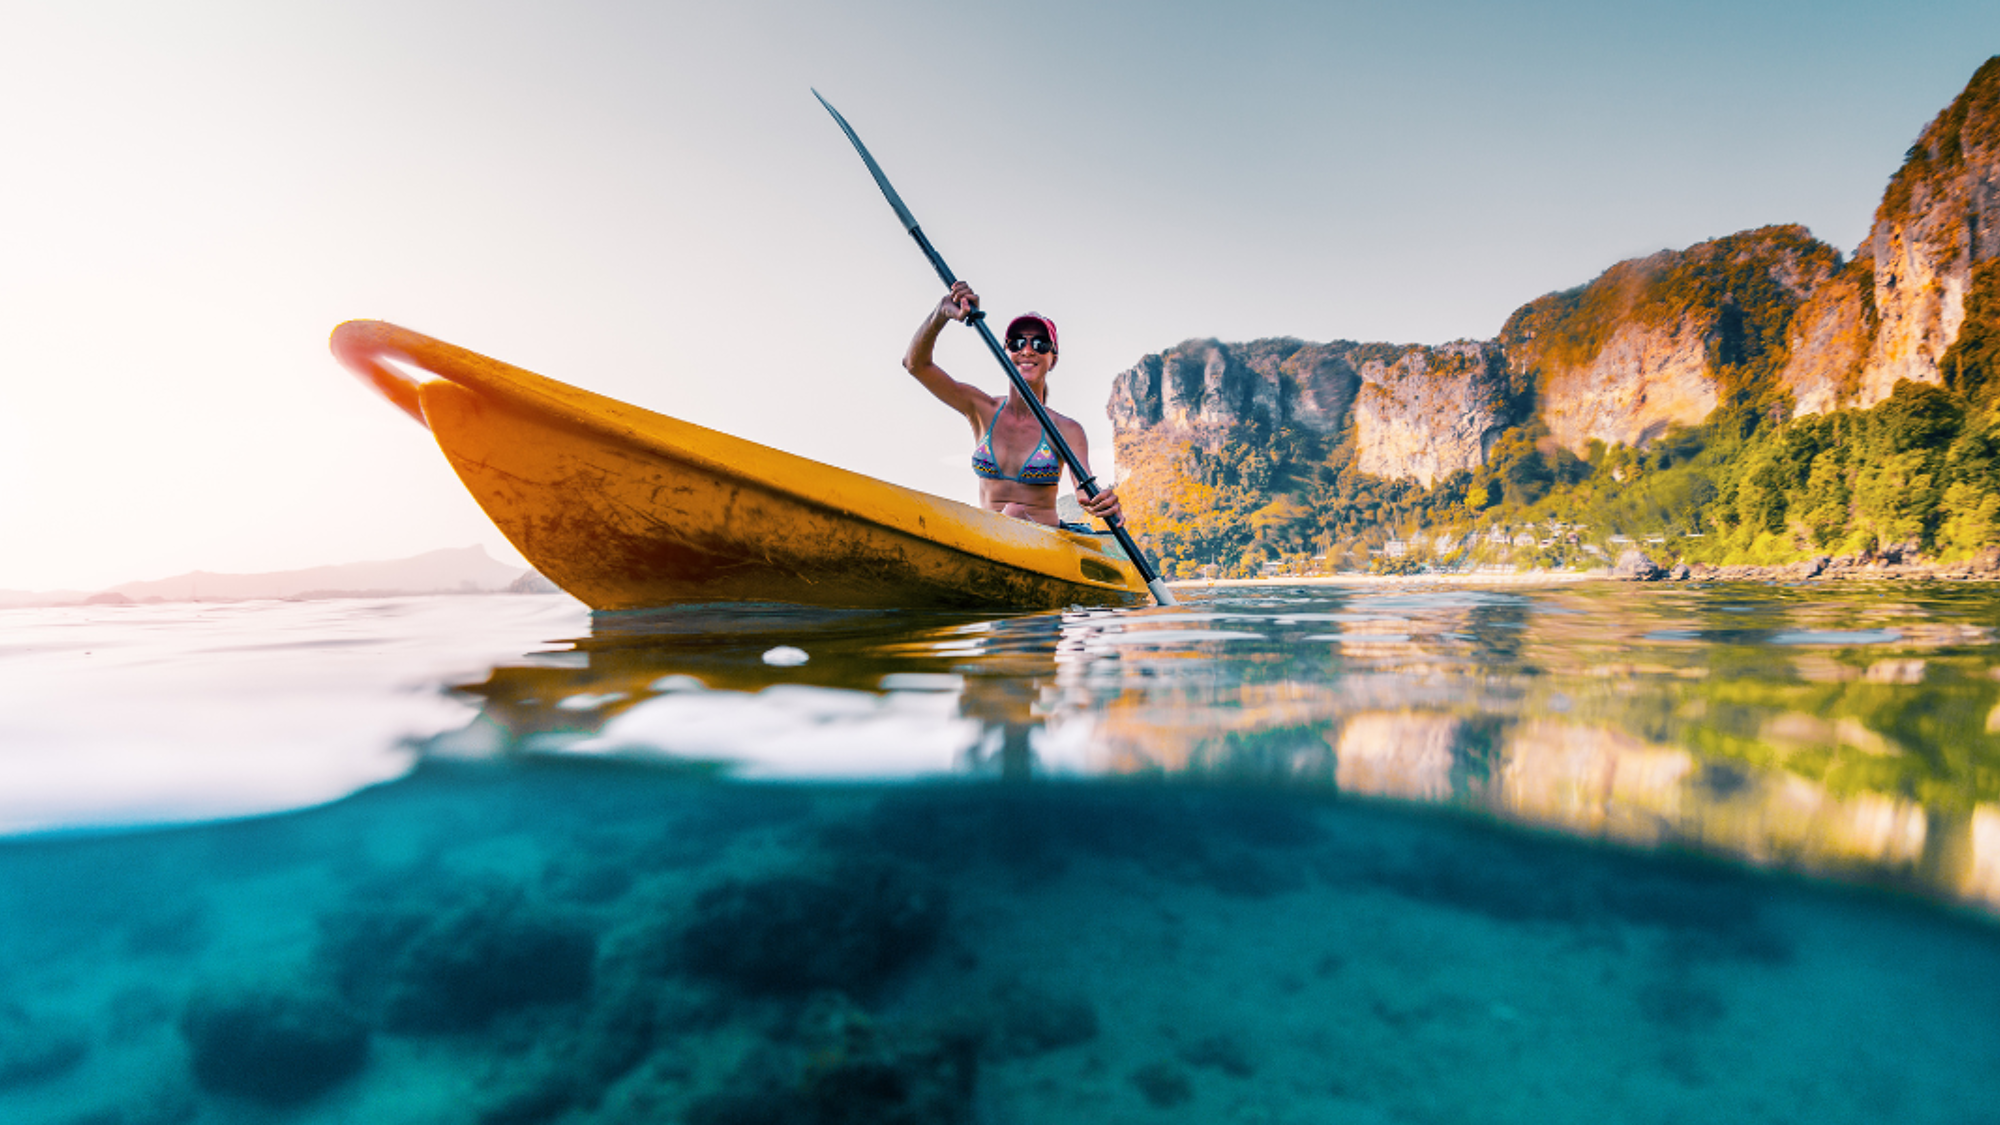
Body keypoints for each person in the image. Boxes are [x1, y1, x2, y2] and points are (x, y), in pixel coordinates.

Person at [903, 280, 1123, 531]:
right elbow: (915, 365)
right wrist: (940, 313)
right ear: (1007, 351)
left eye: (1040, 344)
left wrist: (1101, 501)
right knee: (1003, 514)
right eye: (1018, 343)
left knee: (1015, 511)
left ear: (1053, 359)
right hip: (990, 539)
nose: (1027, 350)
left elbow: (1085, 491)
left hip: (1045, 544)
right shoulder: (980, 408)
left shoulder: (1067, 429)